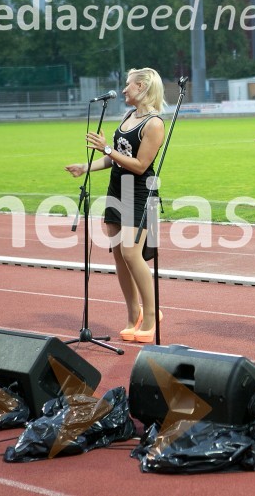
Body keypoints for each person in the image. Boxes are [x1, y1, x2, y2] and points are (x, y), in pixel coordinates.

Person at [65, 67, 166, 343]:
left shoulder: (154, 124)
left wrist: (107, 148)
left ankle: (152, 313)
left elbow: (140, 165)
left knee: (133, 254)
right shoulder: (128, 116)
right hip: (116, 190)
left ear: (143, 87)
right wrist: (86, 167)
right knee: (120, 257)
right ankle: (133, 315)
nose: (123, 90)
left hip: (139, 193)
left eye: (129, 85)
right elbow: (115, 159)